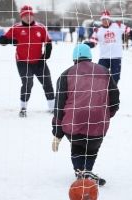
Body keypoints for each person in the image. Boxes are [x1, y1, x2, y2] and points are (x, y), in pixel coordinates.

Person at [51, 44, 120, 186]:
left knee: (77, 146)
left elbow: (59, 106)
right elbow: (115, 100)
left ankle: (81, 172)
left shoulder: (66, 74)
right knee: (92, 147)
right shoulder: (105, 72)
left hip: (73, 123)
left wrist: (57, 133)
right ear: (90, 56)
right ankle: (86, 171)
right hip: (98, 122)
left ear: (74, 58)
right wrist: (106, 115)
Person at [0, 5, 55, 117]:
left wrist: (46, 55)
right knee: (28, 83)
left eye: (30, 15)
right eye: (25, 16)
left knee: (47, 82)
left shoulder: (41, 27)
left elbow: (48, 42)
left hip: (39, 62)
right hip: (23, 62)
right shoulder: (16, 27)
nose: (28, 17)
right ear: (21, 17)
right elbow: (3, 40)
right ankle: (23, 108)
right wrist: (8, 40)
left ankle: (53, 108)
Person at [85, 10, 130, 84]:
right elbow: (93, 42)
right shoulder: (98, 30)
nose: (105, 21)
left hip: (116, 57)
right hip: (104, 57)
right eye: (103, 19)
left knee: (115, 78)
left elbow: (128, 30)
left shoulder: (118, 25)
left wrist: (131, 34)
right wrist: (88, 45)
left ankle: (112, 93)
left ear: (109, 19)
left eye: (106, 19)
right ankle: (102, 92)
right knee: (99, 76)